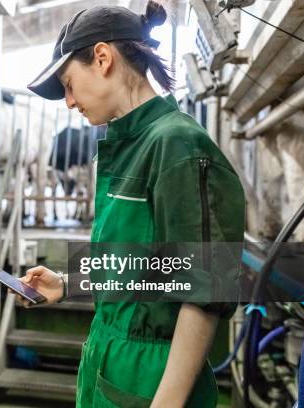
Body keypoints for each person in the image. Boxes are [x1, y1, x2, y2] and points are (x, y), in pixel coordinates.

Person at [19, 2, 245, 407]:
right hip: (108, 361)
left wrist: (168, 402)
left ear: (102, 58)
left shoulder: (176, 144)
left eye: (69, 85)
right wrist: (69, 282)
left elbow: (203, 291)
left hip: (152, 376)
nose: (69, 102)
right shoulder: (129, 146)